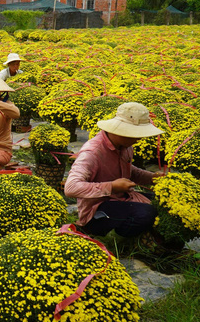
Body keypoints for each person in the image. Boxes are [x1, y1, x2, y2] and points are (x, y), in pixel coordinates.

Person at [64, 102, 165, 238]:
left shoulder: (125, 146)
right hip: (98, 209)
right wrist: (111, 186)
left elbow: (130, 171)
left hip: (123, 198)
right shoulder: (92, 152)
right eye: (136, 134)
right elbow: (71, 188)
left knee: (163, 202)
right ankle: (115, 238)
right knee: (146, 213)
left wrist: (153, 178)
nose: (139, 139)